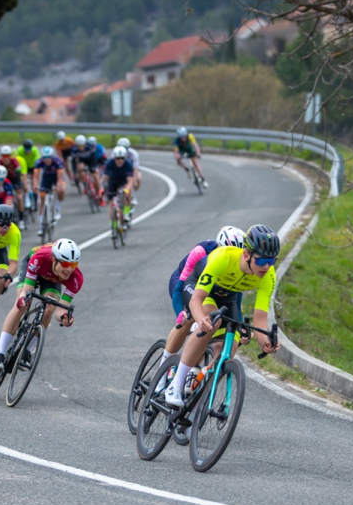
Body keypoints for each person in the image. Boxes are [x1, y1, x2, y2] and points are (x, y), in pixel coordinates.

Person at [162, 225, 280, 407]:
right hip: (201, 289)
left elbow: (260, 319)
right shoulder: (223, 257)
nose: (266, 266)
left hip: (228, 296)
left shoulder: (268, 275)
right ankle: (175, 384)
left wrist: (265, 341)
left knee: (230, 344)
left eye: (271, 260)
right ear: (246, 254)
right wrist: (201, 319)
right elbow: (196, 300)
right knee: (211, 321)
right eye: (262, 259)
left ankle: (199, 401)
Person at [156, 226, 247, 382]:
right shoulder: (201, 253)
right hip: (186, 281)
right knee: (191, 316)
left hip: (213, 290)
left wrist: (241, 327)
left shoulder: (237, 266)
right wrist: (181, 313)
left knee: (214, 327)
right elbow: (180, 289)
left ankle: (193, 375)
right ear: (218, 247)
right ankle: (162, 370)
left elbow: (236, 301)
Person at [0, 238, 82, 370]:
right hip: (35, 266)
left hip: (51, 279)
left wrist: (64, 317)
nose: (69, 270)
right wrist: (23, 298)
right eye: (66, 263)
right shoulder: (40, 258)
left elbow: (60, 311)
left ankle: (27, 350)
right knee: (21, 305)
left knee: (49, 308)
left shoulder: (76, 278)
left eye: (73, 265)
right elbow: (25, 292)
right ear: (54, 259)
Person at [33, 145, 67, 231]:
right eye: (45, 157)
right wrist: (35, 185)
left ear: (52, 156)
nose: (47, 160)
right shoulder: (39, 162)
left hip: (56, 177)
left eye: (48, 157)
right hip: (46, 178)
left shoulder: (58, 161)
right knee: (42, 199)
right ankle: (41, 226)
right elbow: (35, 176)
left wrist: (58, 186)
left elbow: (60, 177)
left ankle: (57, 208)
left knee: (62, 189)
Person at [102, 146, 134, 229]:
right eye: (117, 158)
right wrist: (101, 188)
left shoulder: (128, 164)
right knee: (111, 203)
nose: (120, 160)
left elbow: (130, 180)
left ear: (125, 158)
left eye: (122, 158)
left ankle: (126, 213)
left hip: (124, 180)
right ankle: (113, 225)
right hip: (113, 181)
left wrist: (127, 189)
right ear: (114, 158)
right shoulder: (110, 163)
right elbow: (105, 177)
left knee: (127, 194)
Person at [0, 146, 27, 219]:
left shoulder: (15, 162)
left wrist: (19, 187)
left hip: (15, 180)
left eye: (7, 156)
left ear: (10, 156)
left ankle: (21, 217)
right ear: (1, 156)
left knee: (19, 197)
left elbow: (19, 175)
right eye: (4, 156)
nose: (6, 158)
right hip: (5, 181)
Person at [118, 137, 141, 203]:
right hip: (121, 170)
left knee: (138, 178)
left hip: (131, 170)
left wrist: (135, 181)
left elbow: (135, 168)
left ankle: (134, 194)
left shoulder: (133, 154)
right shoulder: (115, 152)